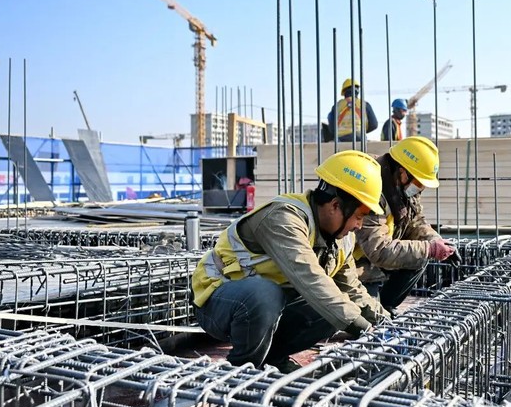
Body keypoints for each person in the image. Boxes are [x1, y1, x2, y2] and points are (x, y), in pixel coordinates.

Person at [190, 150, 390, 371]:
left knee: (332, 309)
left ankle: (273, 358)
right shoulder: (284, 218)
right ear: (335, 205)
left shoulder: (342, 239)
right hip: (218, 300)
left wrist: (387, 323)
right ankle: (243, 368)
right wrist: (361, 327)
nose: (359, 226)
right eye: (359, 217)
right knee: (268, 294)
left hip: (269, 306)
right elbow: (311, 279)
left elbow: (352, 289)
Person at [354, 136, 459, 314]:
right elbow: (378, 250)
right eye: (418, 183)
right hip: (357, 265)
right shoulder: (372, 188)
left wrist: (436, 241)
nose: (419, 188)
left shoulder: (400, 187)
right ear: (402, 171)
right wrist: (429, 249)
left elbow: (415, 221)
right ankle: (375, 308)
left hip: (377, 257)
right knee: (363, 317)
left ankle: (385, 306)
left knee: (419, 257)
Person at [327, 78, 378, 143]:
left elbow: (331, 126)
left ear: (344, 91)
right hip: (359, 137)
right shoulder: (364, 104)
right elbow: (374, 124)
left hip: (341, 139)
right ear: (357, 91)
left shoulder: (337, 106)